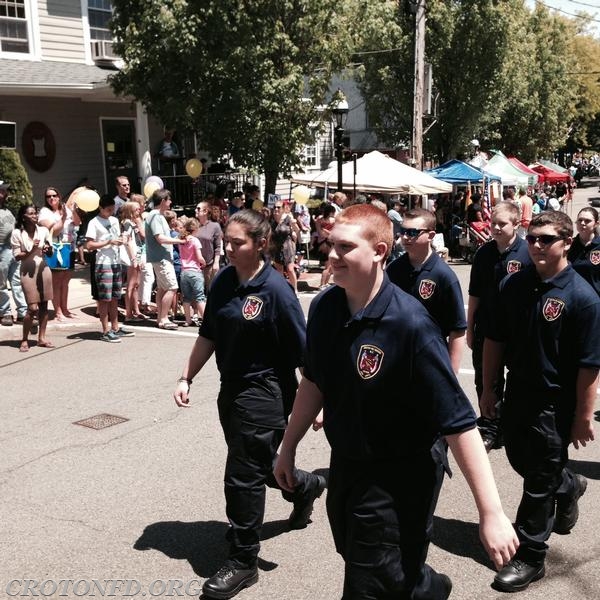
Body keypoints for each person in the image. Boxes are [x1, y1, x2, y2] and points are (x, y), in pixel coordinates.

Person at [274, 204, 518, 599]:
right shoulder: (324, 308)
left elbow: (458, 423)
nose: (331, 255)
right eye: (330, 244)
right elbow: (314, 381)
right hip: (349, 465)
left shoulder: (411, 324)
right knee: (363, 558)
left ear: (380, 252)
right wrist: (288, 448)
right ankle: (425, 587)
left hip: (402, 476)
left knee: (368, 582)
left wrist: (491, 513)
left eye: (345, 247)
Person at [173, 210, 326, 599]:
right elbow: (209, 334)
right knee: (257, 466)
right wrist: (186, 376)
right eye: (226, 240)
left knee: (241, 474)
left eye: (237, 242)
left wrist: (317, 401)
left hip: (266, 393)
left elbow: (304, 351)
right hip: (232, 390)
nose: (228, 247)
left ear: (261, 244)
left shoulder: (276, 290)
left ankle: (243, 561)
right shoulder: (224, 279)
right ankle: (305, 486)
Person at [481, 211, 600, 592]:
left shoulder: (582, 297)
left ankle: (531, 555)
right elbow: (494, 338)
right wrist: (488, 388)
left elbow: (589, 364)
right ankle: (568, 485)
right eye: (532, 238)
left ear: (566, 243)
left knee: (537, 482)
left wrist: (584, 415)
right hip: (517, 394)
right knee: (519, 457)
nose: (535, 245)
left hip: (556, 404)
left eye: (546, 239)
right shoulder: (513, 284)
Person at [467, 202, 532, 451]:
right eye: (493, 222)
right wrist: (470, 328)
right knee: (486, 381)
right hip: (487, 329)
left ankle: (511, 423)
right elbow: (475, 295)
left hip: (517, 331)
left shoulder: (527, 252)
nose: (495, 228)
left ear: (516, 224)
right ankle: (489, 425)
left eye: (501, 224)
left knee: (518, 379)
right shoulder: (484, 254)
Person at [387, 208, 466, 373]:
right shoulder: (393, 269)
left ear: (430, 236)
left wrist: (451, 372)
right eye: (403, 231)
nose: (405, 236)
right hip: (396, 355)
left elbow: (457, 328)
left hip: (431, 358)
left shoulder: (443, 275)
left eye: (413, 232)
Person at [85, 196, 135, 343]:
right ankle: (105, 330)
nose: (111, 212)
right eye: (108, 210)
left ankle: (115, 327)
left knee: (115, 297)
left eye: (113, 209)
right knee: (104, 298)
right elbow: (89, 245)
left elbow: (116, 237)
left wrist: (121, 240)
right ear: (100, 208)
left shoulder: (114, 220)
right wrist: (107, 241)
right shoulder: (94, 222)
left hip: (115, 261)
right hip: (103, 262)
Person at [10, 205, 54, 351]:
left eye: (35, 213)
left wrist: (48, 250)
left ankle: (41, 338)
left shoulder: (43, 231)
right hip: (27, 270)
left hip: (44, 269)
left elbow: (50, 252)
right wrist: (31, 249)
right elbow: (17, 256)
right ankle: (24, 339)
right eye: (31, 214)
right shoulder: (17, 233)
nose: (35, 216)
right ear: (23, 217)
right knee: (32, 308)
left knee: (44, 306)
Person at [38, 186, 79, 322]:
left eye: (54, 195)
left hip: (69, 248)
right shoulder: (44, 212)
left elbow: (78, 222)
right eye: (48, 196)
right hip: (56, 249)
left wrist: (73, 211)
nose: (52, 198)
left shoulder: (65, 208)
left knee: (65, 281)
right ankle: (58, 311)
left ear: (59, 196)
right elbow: (54, 232)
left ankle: (65, 308)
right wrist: (63, 218)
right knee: (57, 282)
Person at [145, 189, 182, 330]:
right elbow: (160, 238)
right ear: (162, 201)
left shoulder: (156, 215)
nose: (171, 202)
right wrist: (178, 241)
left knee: (162, 288)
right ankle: (165, 318)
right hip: (161, 258)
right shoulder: (155, 216)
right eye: (169, 199)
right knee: (172, 287)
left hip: (160, 257)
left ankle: (161, 318)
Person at [0, 182, 27, 326]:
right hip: (1, 249)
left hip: (12, 248)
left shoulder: (8, 210)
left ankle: (23, 312)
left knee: (17, 282)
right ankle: (5, 312)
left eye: (4, 191)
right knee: (1, 283)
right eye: (1, 190)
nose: (4, 193)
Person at [119, 201, 146, 323]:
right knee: (131, 285)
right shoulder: (127, 223)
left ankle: (136, 310)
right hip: (133, 256)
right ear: (130, 211)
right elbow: (127, 241)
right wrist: (134, 258)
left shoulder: (133, 222)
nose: (139, 211)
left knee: (136, 285)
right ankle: (128, 314)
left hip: (137, 254)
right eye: (136, 209)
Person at [178, 217, 206, 326]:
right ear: (195, 229)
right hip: (195, 271)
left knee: (187, 297)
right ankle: (205, 320)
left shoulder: (182, 240)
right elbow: (199, 257)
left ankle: (188, 320)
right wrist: (204, 262)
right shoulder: (195, 240)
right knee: (200, 296)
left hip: (184, 271)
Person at [567, 207, 600, 295]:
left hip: (596, 296)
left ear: (596, 224)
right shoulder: (569, 245)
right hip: (574, 296)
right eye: (580, 220)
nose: (582, 223)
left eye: (587, 221)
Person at [193, 201, 222, 292]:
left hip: (208, 265)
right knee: (197, 293)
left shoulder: (215, 226)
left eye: (198, 209)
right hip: (194, 265)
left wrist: (216, 263)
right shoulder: (193, 225)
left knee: (210, 291)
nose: (195, 210)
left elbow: (218, 246)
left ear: (205, 211)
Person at [270, 200, 299, 292]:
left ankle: (295, 289)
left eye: (278, 207)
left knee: (290, 269)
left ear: (283, 209)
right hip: (277, 247)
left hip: (288, 247)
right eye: (274, 207)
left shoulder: (288, 218)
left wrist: (295, 236)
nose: (276, 209)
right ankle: (282, 290)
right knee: (279, 271)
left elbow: (297, 230)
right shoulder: (271, 220)